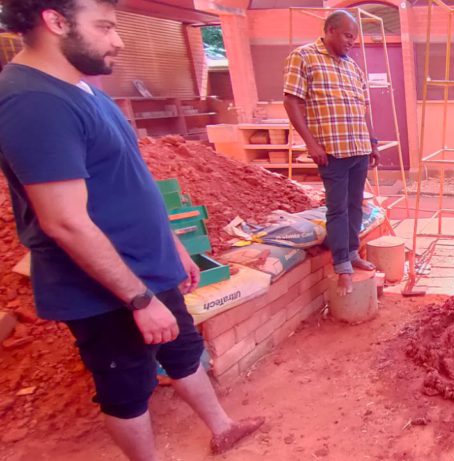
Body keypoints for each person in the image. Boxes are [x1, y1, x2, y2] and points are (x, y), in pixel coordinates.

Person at [0, 0, 263, 458]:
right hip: (105, 289)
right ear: (55, 21)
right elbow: (64, 220)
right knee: (127, 385)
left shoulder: (80, 89)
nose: (118, 40)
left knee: (182, 351)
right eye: (104, 27)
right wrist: (138, 298)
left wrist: (174, 245)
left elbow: (128, 181)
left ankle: (221, 428)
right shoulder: (34, 103)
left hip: (147, 269)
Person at [283, 10, 380, 297]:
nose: (352, 42)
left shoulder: (353, 67)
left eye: (355, 38)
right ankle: (342, 267)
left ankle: (351, 253)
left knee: (355, 206)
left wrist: (372, 142)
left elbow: (363, 108)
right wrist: (311, 144)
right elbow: (291, 101)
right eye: (349, 36)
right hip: (332, 151)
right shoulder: (304, 56)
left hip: (358, 148)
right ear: (330, 30)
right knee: (337, 208)